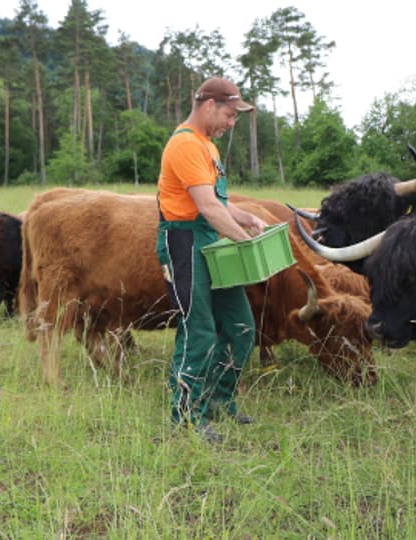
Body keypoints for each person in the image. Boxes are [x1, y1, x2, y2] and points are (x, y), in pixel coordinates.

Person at [155, 77, 267, 444]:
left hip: (209, 238)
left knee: (241, 327)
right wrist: (244, 241)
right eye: (230, 114)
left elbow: (217, 203)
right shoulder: (185, 144)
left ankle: (219, 400)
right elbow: (204, 207)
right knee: (198, 330)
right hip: (184, 241)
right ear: (209, 105)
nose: (232, 123)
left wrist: (245, 217)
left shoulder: (208, 147)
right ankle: (185, 416)